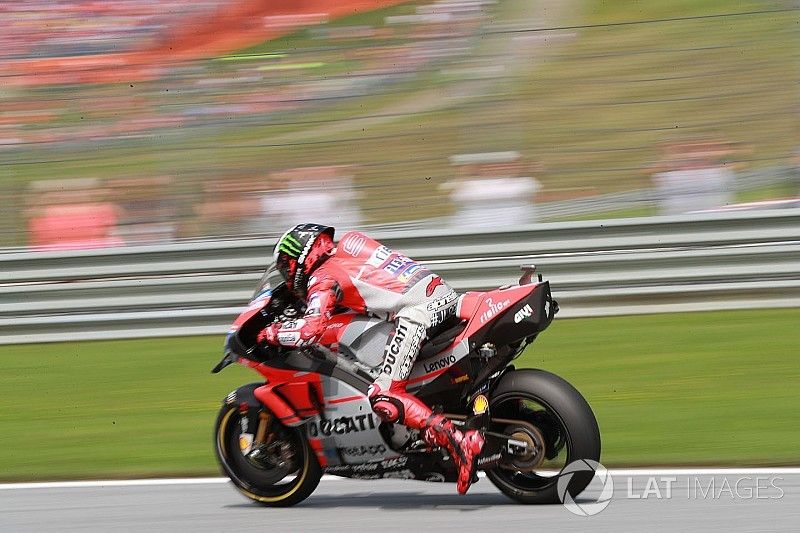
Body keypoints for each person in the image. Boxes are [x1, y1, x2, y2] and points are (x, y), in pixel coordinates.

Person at [257, 223, 485, 494]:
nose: (286, 273)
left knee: (384, 396)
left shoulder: (323, 278)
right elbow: (372, 282)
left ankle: (458, 443)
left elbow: (311, 330)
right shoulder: (352, 242)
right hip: (444, 297)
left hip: (418, 313)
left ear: (300, 258)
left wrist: (271, 333)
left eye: (286, 265)